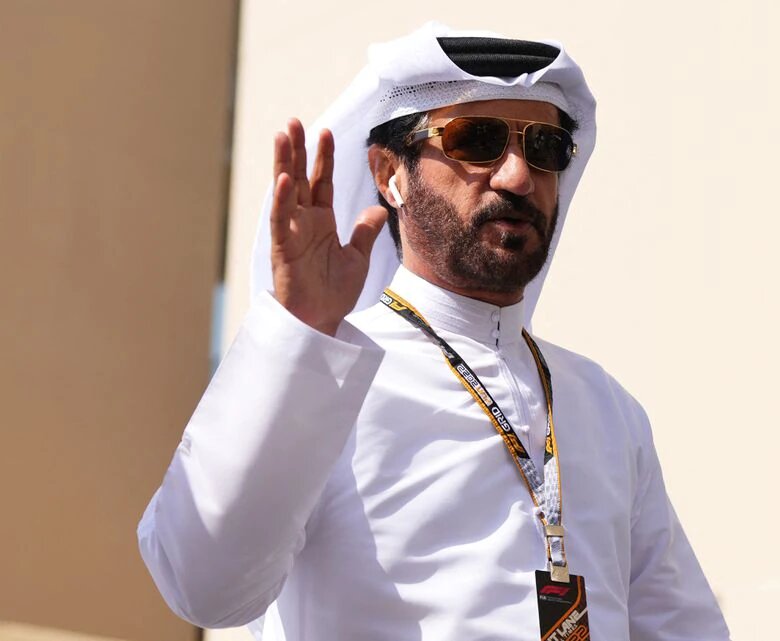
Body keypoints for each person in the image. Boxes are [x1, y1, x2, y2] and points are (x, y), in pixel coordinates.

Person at [138, 23, 731, 641]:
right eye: (478, 140)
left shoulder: (606, 407)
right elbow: (202, 586)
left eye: (545, 149)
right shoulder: (318, 376)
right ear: (389, 173)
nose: (517, 177)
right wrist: (302, 337)